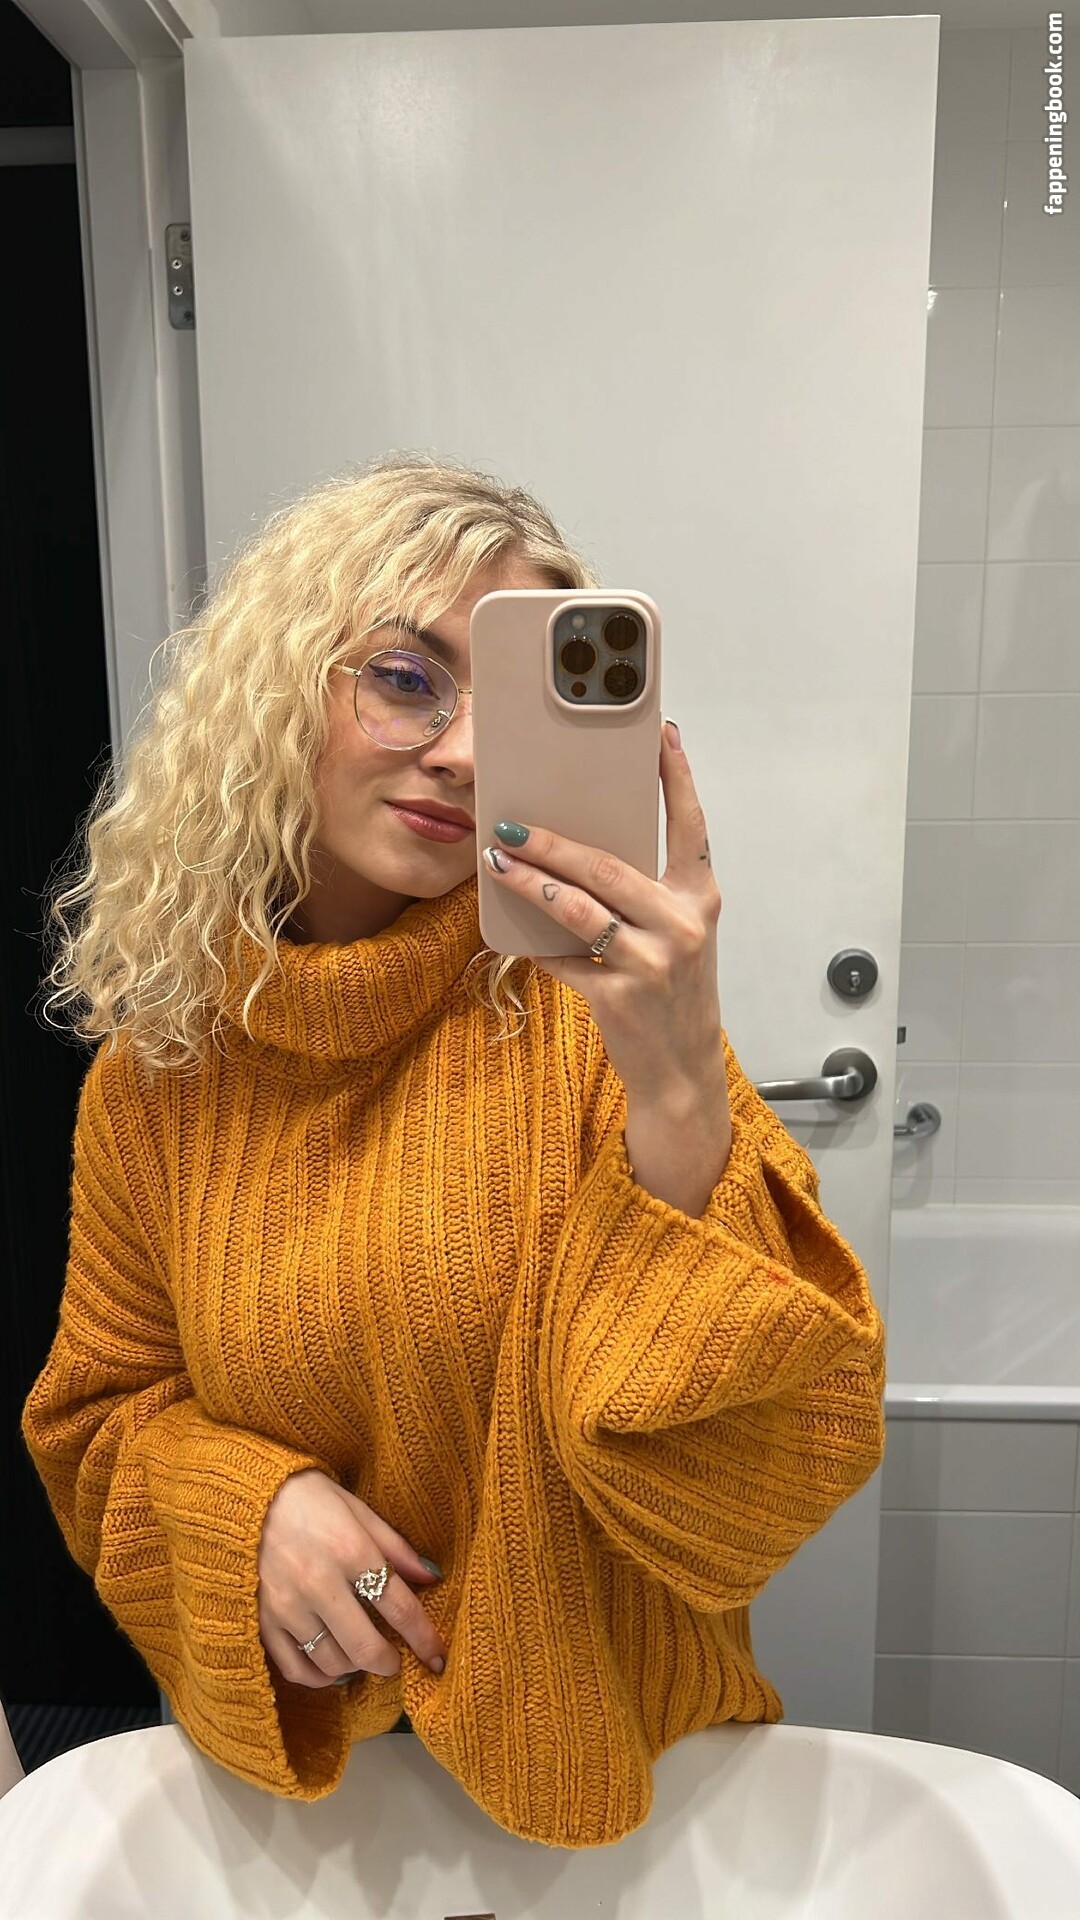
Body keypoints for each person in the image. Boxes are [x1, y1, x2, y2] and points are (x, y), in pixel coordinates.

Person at [21, 452, 887, 1850]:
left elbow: (766, 1493)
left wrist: (677, 1088)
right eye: (406, 678)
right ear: (275, 693)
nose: (470, 754)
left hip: (633, 1789)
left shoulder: (596, 1025)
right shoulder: (161, 1079)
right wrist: (247, 1509)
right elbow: (100, 1419)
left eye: (517, 708)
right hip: (315, 1803)